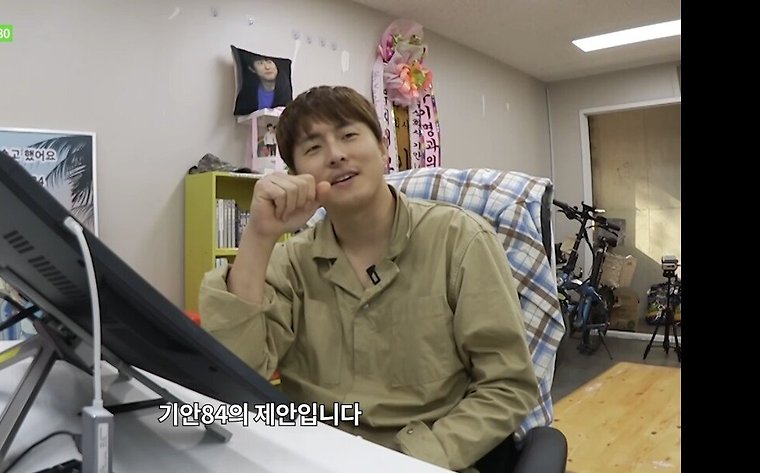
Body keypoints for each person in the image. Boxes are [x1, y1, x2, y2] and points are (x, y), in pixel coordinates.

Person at [200, 85, 539, 473]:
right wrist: (260, 236)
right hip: (313, 458)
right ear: (297, 177)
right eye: (314, 148)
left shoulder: (460, 240)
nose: (336, 154)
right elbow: (234, 381)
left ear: (382, 148)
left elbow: (507, 386)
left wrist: (413, 459)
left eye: (348, 135)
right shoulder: (291, 262)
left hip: (427, 460)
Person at [233, 50, 293, 116]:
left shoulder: (285, 91)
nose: (267, 67)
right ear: (252, 69)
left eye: (269, 62)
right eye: (260, 63)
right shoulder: (247, 94)